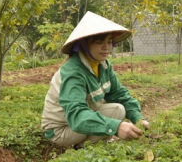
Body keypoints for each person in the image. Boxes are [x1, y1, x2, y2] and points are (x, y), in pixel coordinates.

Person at [42, 11, 150, 149]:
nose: (106, 47)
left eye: (109, 42)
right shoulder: (73, 72)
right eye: (99, 42)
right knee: (112, 119)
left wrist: (139, 119)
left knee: (118, 109)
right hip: (61, 128)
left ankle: (95, 147)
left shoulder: (103, 65)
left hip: (79, 120)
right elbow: (77, 116)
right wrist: (116, 127)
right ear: (85, 45)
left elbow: (119, 95)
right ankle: (83, 150)